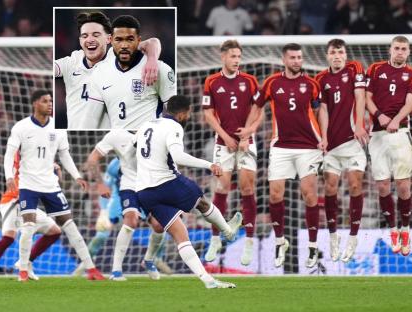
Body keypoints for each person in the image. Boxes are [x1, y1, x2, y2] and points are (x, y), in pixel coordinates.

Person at [136, 95, 241, 288]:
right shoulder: (174, 127)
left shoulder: (146, 125)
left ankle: (208, 280)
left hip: (144, 191)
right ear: (183, 113)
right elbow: (178, 156)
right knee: (202, 202)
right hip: (166, 182)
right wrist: (209, 164)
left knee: (180, 234)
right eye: (189, 113)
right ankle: (228, 231)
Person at [3, 90, 104, 281]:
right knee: (28, 226)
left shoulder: (58, 128)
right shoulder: (21, 127)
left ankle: (91, 269)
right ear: (35, 104)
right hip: (28, 184)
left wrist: (76, 176)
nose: (50, 104)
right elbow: (10, 154)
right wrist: (9, 176)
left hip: (51, 185)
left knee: (70, 225)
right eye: (44, 101)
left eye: (51, 101)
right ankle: (23, 271)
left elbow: (64, 154)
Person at [248, 43, 323, 268]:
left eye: (300, 57)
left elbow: (320, 111)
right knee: (275, 195)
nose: (297, 61)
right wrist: (250, 129)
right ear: (284, 60)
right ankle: (281, 242)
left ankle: (312, 247)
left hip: (308, 146)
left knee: (309, 195)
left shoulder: (312, 84)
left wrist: (323, 137)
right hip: (280, 146)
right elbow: (257, 106)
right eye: (293, 57)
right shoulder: (272, 82)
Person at [201, 39, 262, 266]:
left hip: (247, 142)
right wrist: (225, 137)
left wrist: (247, 134)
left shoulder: (250, 80)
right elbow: (208, 114)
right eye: (233, 56)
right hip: (222, 142)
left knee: (247, 188)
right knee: (221, 187)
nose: (237, 61)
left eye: (239, 56)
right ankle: (215, 239)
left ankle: (249, 242)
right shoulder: (211, 81)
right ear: (223, 57)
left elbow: (260, 112)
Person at [54, 11, 161, 129]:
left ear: (108, 39)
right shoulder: (71, 62)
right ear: (80, 40)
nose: (90, 39)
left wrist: (152, 60)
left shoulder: (117, 56)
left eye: (96, 35)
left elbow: (152, 42)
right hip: (78, 135)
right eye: (85, 36)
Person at [365, 35, 412, 256]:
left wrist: (396, 120)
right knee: (382, 187)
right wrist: (378, 115)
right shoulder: (375, 69)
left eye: (403, 49)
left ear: (408, 52)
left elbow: (411, 102)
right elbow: (367, 97)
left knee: (403, 186)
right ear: (390, 50)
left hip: (401, 132)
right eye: (396, 48)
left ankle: (406, 230)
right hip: (377, 134)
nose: (400, 52)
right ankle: (393, 230)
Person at [86, 130, 166, 281]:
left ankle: (150, 260)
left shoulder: (154, 132)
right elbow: (94, 163)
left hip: (150, 185)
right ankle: (105, 268)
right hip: (123, 191)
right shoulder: (115, 143)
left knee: (160, 225)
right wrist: (102, 198)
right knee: (120, 225)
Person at [315, 38, 368, 262]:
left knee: (355, 184)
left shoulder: (355, 68)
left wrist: (359, 124)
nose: (337, 56)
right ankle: (334, 236)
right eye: (333, 53)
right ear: (327, 56)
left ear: (345, 55)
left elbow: (360, 96)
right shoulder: (320, 79)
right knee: (330, 188)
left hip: (353, 141)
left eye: (340, 52)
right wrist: (324, 138)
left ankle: (353, 237)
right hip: (333, 146)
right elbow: (323, 109)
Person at [88, 15, 175, 129]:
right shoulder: (100, 69)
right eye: (118, 39)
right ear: (110, 40)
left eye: (129, 39)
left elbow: (153, 42)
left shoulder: (158, 69)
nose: (124, 45)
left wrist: (152, 60)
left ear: (138, 41)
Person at [0, 151, 62, 280]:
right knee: (9, 237)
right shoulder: (19, 149)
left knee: (55, 232)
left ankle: (27, 262)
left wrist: (56, 171)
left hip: (26, 202)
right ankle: (23, 268)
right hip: (13, 200)